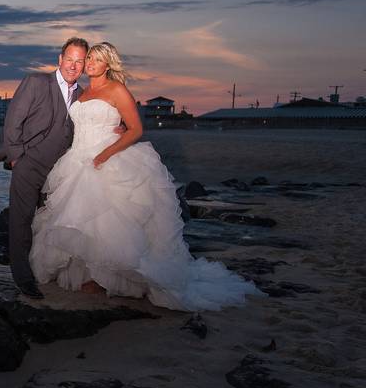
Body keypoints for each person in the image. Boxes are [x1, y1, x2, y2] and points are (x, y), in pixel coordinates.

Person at [29, 42, 261, 311]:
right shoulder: (82, 92)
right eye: (89, 58)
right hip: (78, 158)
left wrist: (105, 154)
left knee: (107, 221)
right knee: (79, 222)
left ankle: (106, 280)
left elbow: (136, 129)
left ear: (108, 65)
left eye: (97, 59)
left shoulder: (117, 89)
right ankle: (89, 275)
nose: (90, 63)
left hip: (107, 158)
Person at [0, 37, 90, 297]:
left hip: (60, 171)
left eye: (79, 61)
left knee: (49, 221)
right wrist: (16, 159)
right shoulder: (37, 83)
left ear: (84, 65)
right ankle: (23, 278)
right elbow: (13, 120)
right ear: (59, 60)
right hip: (29, 164)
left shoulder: (83, 96)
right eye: (69, 59)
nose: (73, 65)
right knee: (21, 220)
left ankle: (43, 267)